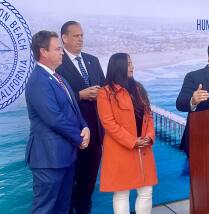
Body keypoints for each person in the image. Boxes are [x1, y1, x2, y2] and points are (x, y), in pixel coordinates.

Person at [25, 30, 90, 214]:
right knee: (45, 209)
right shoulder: (38, 80)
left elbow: (73, 109)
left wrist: (85, 127)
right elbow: (54, 118)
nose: (62, 52)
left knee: (63, 208)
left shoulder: (58, 77)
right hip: (48, 160)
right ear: (43, 52)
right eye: (57, 49)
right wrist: (80, 138)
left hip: (65, 157)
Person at [97, 53, 157, 214]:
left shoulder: (138, 88)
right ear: (119, 66)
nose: (132, 66)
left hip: (143, 148)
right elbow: (109, 124)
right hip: (120, 149)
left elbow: (148, 116)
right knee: (122, 193)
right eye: (128, 63)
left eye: (131, 63)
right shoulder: (105, 93)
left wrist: (149, 137)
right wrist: (132, 141)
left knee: (146, 192)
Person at [56, 21, 105, 213]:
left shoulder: (93, 60)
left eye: (82, 35)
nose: (80, 39)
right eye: (76, 36)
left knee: (87, 188)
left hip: (95, 136)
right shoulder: (58, 65)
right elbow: (56, 100)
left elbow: (106, 88)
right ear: (64, 38)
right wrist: (80, 95)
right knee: (68, 189)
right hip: (71, 136)